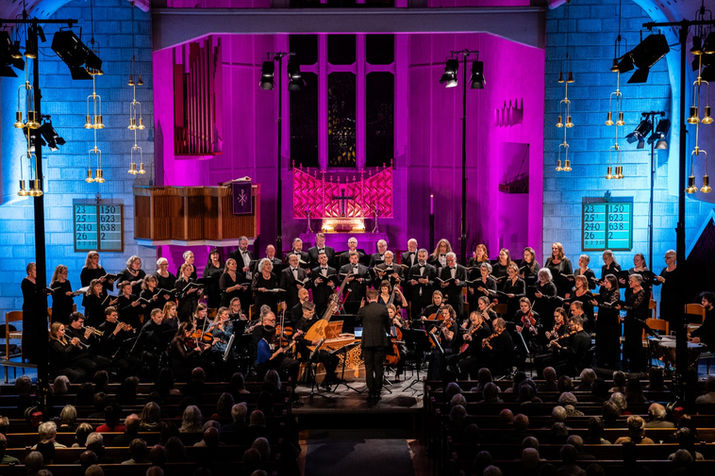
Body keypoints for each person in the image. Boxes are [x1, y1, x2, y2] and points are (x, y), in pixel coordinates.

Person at [293, 301, 339, 388]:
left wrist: (331, 311)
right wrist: (311, 342)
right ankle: (329, 379)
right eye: (310, 312)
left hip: (317, 348)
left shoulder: (314, 320)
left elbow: (322, 324)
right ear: (304, 311)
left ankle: (328, 379)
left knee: (335, 358)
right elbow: (298, 340)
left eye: (313, 312)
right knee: (326, 356)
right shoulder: (300, 323)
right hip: (307, 351)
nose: (312, 314)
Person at [359, 288, 391, 403]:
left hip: (367, 342)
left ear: (367, 299)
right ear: (377, 297)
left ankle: (371, 392)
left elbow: (357, 320)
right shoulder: (383, 309)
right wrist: (388, 332)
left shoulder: (363, 310)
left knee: (369, 368)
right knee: (378, 367)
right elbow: (388, 325)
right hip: (380, 342)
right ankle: (377, 392)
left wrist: (361, 307)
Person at [618, 274, 650, 372]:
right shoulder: (629, 291)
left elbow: (634, 306)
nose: (629, 282)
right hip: (629, 319)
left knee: (635, 342)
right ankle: (626, 364)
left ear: (637, 282)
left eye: (631, 281)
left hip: (637, 320)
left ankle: (636, 366)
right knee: (627, 341)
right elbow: (628, 304)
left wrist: (622, 307)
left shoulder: (643, 293)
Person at [22, 262, 49, 364]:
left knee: (41, 331)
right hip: (31, 311)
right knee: (32, 331)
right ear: (29, 272)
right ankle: (31, 355)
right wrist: (42, 293)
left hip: (40, 311)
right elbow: (30, 297)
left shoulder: (39, 281)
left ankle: (41, 353)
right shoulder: (25, 282)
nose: (37, 272)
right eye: (35, 270)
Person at [593, 274, 621, 369]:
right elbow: (601, 298)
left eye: (606, 282)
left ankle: (610, 361)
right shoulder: (605, 290)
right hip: (602, 317)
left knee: (609, 340)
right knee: (601, 339)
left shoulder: (615, 292)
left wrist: (598, 304)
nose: (604, 283)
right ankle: (601, 360)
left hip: (610, 319)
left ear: (612, 283)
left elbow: (611, 306)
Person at [407, 248, 437, 322]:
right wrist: (411, 282)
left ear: (426, 257)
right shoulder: (413, 268)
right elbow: (407, 281)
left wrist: (427, 282)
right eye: (419, 256)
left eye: (423, 256)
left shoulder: (432, 268)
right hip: (416, 297)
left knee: (428, 317)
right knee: (415, 318)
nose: (421, 258)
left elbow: (435, 282)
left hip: (427, 297)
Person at [438, 252, 467, 320]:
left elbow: (466, 283)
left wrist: (459, 283)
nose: (450, 263)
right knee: (448, 317)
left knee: (459, 317)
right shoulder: (444, 269)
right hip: (448, 297)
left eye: (451, 260)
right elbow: (441, 283)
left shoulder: (462, 269)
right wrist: (443, 285)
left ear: (455, 259)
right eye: (448, 261)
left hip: (458, 297)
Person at [310, 251, 337, 316]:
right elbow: (311, 285)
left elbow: (336, 283)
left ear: (327, 258)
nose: (323, 259)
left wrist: (332, 285)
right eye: (321, 258)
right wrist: (316, 282)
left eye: (324, 257)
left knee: (330, 315)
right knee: (319, 316)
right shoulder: (314, 270)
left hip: (330, 297)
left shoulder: (333, 270)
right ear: (318, 260)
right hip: (319, 298)